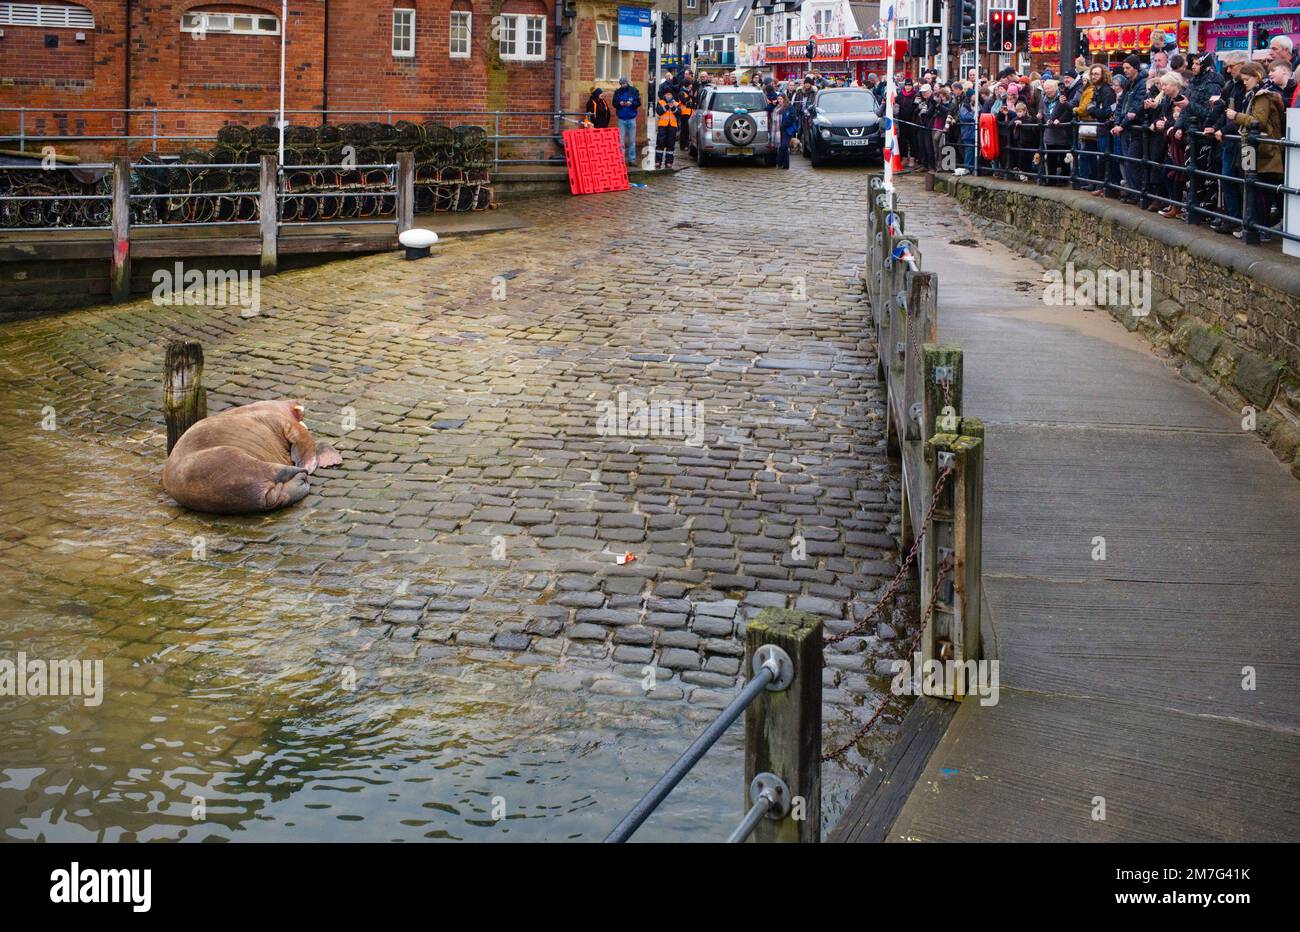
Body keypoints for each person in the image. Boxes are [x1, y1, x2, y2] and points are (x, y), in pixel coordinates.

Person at [1226, 61, 1286, 240]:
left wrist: (1236, 116)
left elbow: (1257, 121)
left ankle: (1260, 229)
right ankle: (1254, 226)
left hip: (1262, 150)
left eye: (1246, 79)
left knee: (1259, 191)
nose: (1244, 82)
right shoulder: (1254, 94)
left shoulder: (1262, 96)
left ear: (1256, 77)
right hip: (1254, 148)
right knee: (1253, 186)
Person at [1207, 51, 1249, 233]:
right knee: (1226, 179)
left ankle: (1242, 220)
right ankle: (1233, 217)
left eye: (1232, 66)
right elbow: (1221, 108)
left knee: (1241, 181)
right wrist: (1210, 125)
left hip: (1240, 139)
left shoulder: (1244, 88)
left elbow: (1237, 115)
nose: (1228, 69)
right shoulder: (1230, 86)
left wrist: (1222, 129)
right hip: (1229, 139)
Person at [1076, 64, 1115, 192]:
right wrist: (1094, 110)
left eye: (1096, 74)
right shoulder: (1097, 90)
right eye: (1092, 74)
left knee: (1105, 157)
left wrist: (1093, 110)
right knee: (1100, 157)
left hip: (1105, 128)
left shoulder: (1106, 91)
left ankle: (1105, 187)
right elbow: (1093, 108)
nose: (1093, 76)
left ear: (1103, 75)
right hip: (1100, 127)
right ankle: (1101, 185)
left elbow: (1106, 112)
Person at [612, 77, 642, 165]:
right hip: (621, 119)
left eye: (624, 83)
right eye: (621, 84)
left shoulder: (634, 91)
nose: (623, 85)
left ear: (627, 83)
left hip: (631, 118)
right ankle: (621, 159)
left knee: (632, 141)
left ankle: (632, 160)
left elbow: (638, 103)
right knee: (621, 141)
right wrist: (619, 103)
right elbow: (614, 103)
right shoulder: (617, 92)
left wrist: (631, 103)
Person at [655, 89, 680, 169]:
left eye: (670, 95)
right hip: (662, 125)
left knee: (671, 144)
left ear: (672, 96)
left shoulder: (676, 103)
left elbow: (679, 113)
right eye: (667, 95)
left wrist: (672, 108)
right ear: (664, 95)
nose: (669, 96)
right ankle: (658, 161)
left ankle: (669, 162)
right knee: (660, 143)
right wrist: (667, 106)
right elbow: (659, 111)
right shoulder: (660, 102)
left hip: (672, 126)